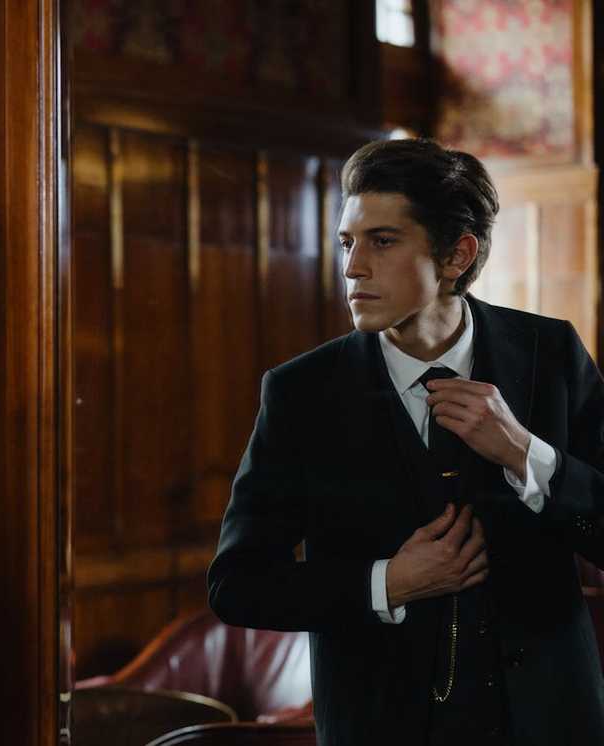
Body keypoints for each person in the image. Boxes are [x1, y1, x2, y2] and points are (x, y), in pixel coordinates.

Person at [208, 138, 604, 745]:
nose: (351, 267)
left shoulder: (551, 356)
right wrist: (388, 581)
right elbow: (236, 586)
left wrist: (527, 456)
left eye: (382, 242)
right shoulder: (301, 394)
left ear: (456, 254)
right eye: (347, 243)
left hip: (550, 726)